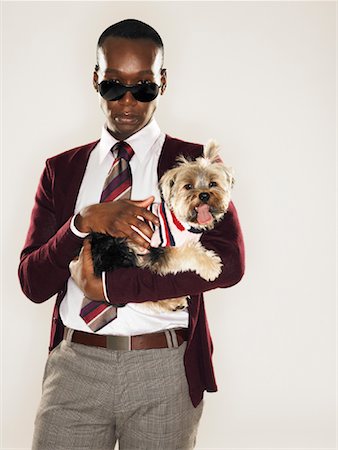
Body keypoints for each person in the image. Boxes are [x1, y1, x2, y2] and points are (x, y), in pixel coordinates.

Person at [19, 19, 245, 450]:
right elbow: (32, 283)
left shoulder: (194, 167)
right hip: (75, 368)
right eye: (112, 86)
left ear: (162, 83)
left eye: (142, 87)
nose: (127, 101)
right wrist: (82, 223)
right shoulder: (61, 170)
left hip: (164, 369)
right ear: (95, 81)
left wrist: (108, 287)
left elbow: (229, 265)